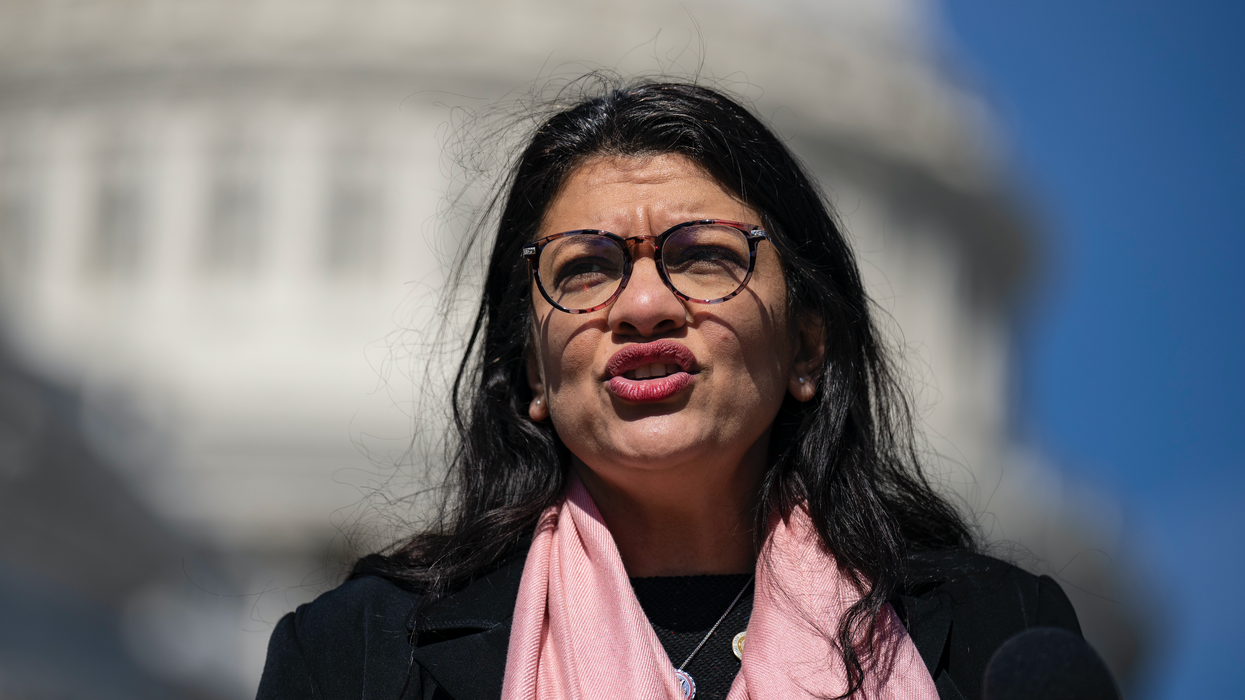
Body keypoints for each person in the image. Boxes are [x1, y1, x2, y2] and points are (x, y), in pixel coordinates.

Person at [256, 80, 1085, 700]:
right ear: (533, 373)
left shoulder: (992, 637)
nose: (644, 306)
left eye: (704, 256)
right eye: (583, 269)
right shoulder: (356, 658)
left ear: (806, 342)